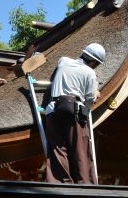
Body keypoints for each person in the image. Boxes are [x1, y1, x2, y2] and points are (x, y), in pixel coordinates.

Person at [44, 43, 106, 184]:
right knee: (80, 150)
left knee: (58, 149)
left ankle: (60, 183)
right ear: (93, 62)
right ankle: (84, 183)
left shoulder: (63, 60)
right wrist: (95, 92)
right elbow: (90, 101)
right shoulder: (89, 73)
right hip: (74, 112)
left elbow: (68, 67)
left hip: (53, 111)